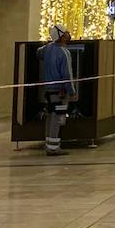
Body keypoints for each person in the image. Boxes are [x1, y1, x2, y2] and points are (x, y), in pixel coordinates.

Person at [39, 24, 76, 156]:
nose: (68, 34)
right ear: (61, 36)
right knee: (58, 117)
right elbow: (67, 75)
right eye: (66, 32)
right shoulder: (64, 53)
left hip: (48, 90)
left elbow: (38, 52)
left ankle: (49, 143)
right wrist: (71, 91)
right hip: (60, 92)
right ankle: (53, 147)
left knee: (50, 115)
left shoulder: (47, 49)